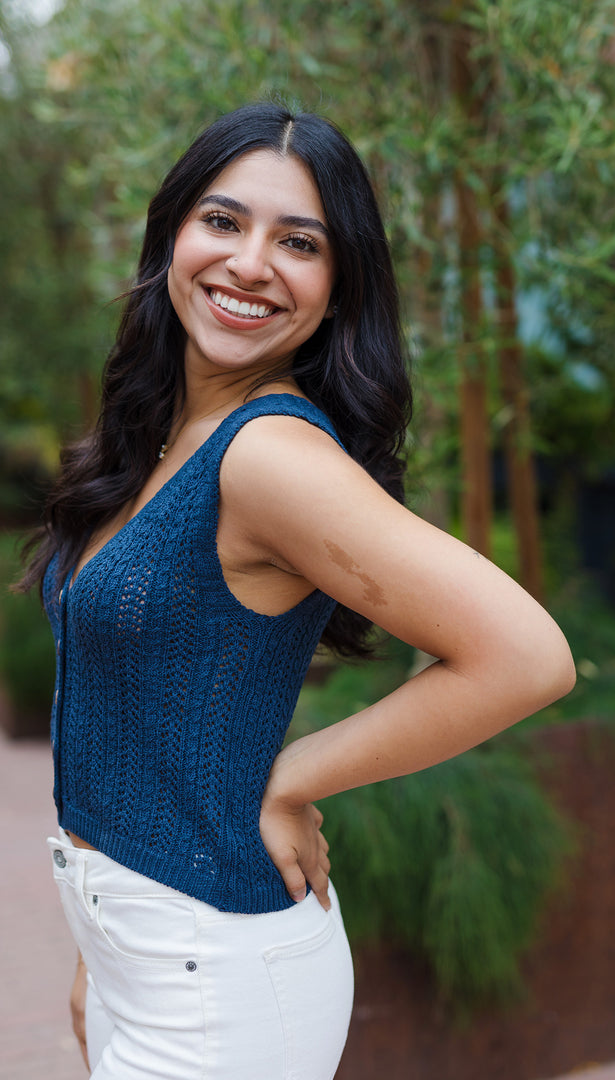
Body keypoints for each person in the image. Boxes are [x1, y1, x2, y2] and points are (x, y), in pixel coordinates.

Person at [21, 101, 576, 1079]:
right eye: (224, 221)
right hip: (146, 951)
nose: (248, 263)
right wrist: (96, 953)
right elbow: (129, 721)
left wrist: (293, 776)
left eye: (300, 242)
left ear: (337, 285)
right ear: (173, 235)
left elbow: (526, 657)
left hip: (214, 981)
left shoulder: (271, 453)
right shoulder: (166, 434)